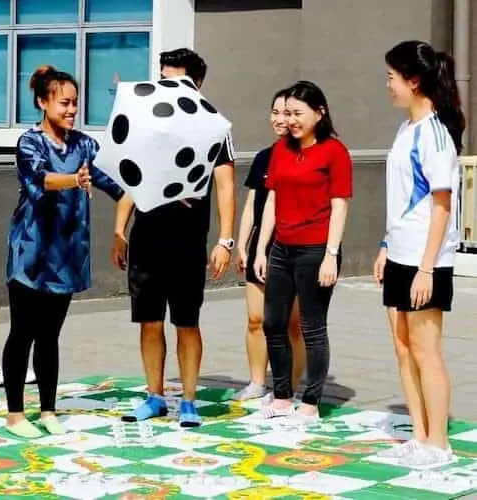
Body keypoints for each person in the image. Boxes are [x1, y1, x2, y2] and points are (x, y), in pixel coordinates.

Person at [111, 48, 235, 427]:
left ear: (195, 85)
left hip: (187, 241)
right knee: (149, 321)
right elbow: (131, 179)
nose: (165, 87)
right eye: (162, 79)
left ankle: (190, 401)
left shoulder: (214, 128)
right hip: (147, 238)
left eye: (175, 81)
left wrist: (225, 240)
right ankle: (154, 396)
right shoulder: (149, 124)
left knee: (186, 322)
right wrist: (119, 229)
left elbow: (225, 186)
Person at [2, 65, 126, 438]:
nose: (72, 110)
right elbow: (39, 178)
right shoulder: (29, 143)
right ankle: (15, 415)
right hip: (31, 253)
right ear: (43, 102)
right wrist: (74, 179)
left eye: (75, 103)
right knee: (22, 332)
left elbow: (117, 184)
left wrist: (149, 205)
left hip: (68, 254)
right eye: (64, 103)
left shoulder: (85, 145)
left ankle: (48, 409)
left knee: (50, 335)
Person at [373, 40, 465, 467]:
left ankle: (439, 444)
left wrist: (427, 268)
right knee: (402, 345)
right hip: (399, 253)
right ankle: (420, 433)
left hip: (427, 260)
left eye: (392, 77)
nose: (387, 85)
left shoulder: (435, 134)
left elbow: (442, 207)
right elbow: (401, 196)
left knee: (427, 350)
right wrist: (386, 247)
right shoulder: (404, 129)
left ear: (414, 81)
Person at [254, 80, 353, 422]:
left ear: (319, 113)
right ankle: (281, 395)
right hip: (281, 248)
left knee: (312, 327)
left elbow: (339, 206)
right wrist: (261, 249)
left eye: (298, 113)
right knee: (273, 323)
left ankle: (310, 401)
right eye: (287, 113)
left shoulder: (334, 151)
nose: (291, 120)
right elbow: (272, 199)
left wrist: (331, 254)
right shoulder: (281, 148)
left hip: (316, 251)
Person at [232, 88, 305, 402]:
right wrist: (242, 245)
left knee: (292, 323)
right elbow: (252, 204)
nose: (279, 119)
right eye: (275, 112)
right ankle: (257, 382)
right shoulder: (264, 156)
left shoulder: (305, 155)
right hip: (260, 248)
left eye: (287, 113)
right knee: (255, 319)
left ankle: (289, 385)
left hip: (293, 248)